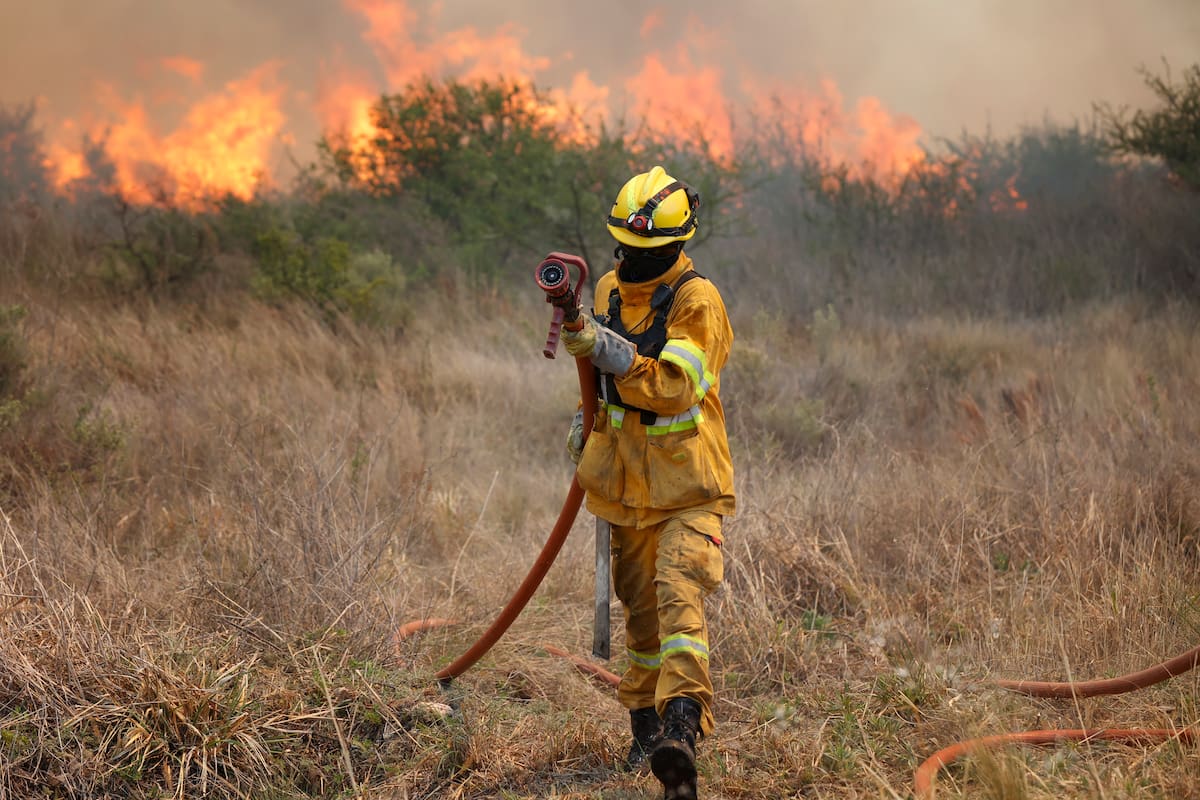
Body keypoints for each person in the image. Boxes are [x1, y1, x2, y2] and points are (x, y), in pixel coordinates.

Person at [561, 166, 735, 800]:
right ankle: (645, 734)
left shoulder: (697, 300)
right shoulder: (606, 289)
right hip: (626, 486)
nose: (634, 262)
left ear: (676, 244)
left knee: (678, 601)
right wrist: (585, 421)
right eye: (626, 249)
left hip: (687, 485)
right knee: (640, 620)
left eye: (648, 252)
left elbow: (674, 386)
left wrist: (605, 353)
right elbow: (602, 384)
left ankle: (682, 730)